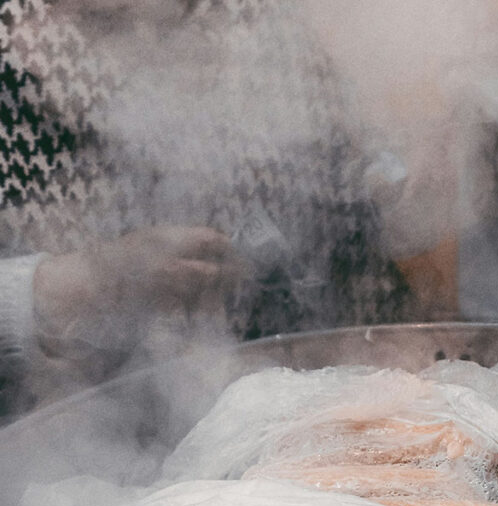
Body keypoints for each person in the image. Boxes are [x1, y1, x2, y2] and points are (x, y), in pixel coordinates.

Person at [0, 0, 413, 418]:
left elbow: (360, 190)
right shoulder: (17, 38)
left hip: (313, 418)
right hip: (78, 453)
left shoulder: (259, 19)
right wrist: (85, 282)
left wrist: (410, 191)